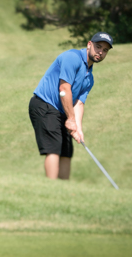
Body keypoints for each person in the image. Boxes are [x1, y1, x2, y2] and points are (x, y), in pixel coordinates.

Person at [28, 32, 113, 180]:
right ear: (89, 44)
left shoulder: (89, 78)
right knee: (54, 148)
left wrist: (78, 128)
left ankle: (64, 190)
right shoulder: (72, 57)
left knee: (67, 151)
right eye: (98, 47)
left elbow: (79, 103)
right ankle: (52, 188)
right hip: (44, 104)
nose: (101, 52)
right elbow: (64, 89)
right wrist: (71, 120)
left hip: (62, 110)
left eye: (105, 50)